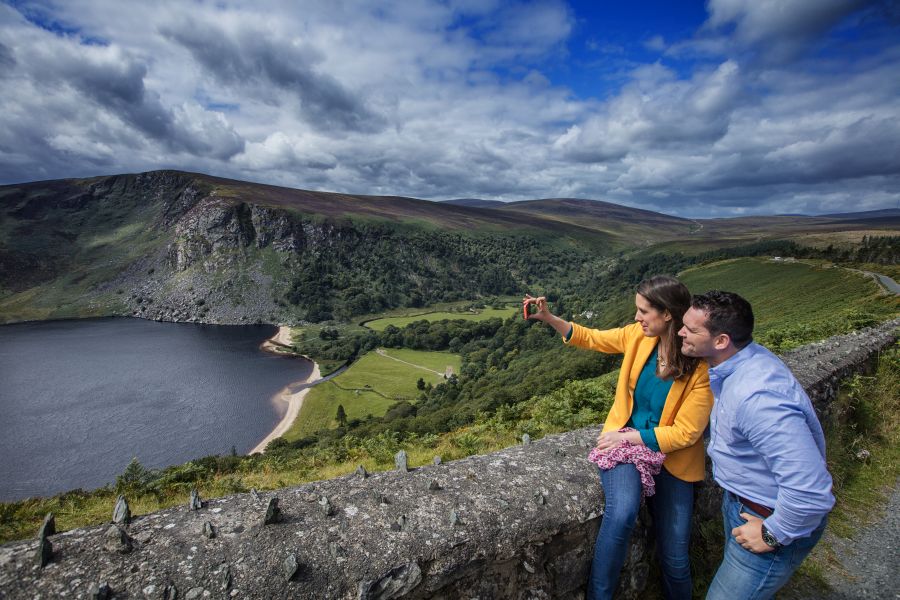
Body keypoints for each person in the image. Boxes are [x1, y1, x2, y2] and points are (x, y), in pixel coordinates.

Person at [524, 276, 714, 600]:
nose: (637, 317)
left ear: (667, 314)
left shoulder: (701, 368)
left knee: (676, 556)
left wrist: (632, 439)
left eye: (643, 311)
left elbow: (686, 433)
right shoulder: (638, 337)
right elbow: (593, 338)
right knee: (623, 511)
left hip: (672, 458)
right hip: (624, 443)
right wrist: (550, 318)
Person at [677, 291, 834, 599]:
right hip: (746, 505)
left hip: (766, 517)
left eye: (691, 329)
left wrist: (772, 534)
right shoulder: (741, 363)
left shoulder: (757, 396)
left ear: (721, 341)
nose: (681, 333)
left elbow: (811, 491)